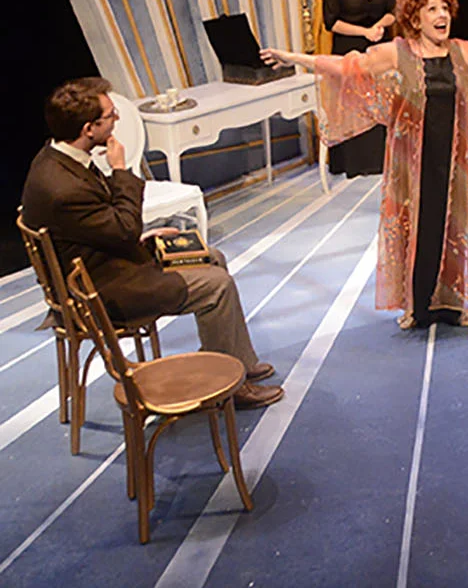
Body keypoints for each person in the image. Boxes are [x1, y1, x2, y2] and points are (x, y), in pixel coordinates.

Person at [263, 0, 468, 329]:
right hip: (413, 163)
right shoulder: (398, 53)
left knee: (454, 226)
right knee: (417, 229)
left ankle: (454, 303)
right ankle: (416, 306)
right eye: (432, 9)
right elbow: (345, 66)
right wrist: (290, 57)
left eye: (445, 8)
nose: (442, 15)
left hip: (453, 160)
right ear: (415, 18)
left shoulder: (460, 52)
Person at [20, 79, 283, 409]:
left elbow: (101, 229)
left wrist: (141, 237)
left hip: (104, 263)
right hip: (102, 291)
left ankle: (235, 360)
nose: (117, 119)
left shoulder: (55, 157)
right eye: (111, 115)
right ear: (89, 129)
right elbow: (125, 228)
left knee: (211, 256)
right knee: (217, 285)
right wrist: (120, 170)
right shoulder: (64, 188)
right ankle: (233, 390)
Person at [321, 0, 397, 176]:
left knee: (382, 100)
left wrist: (378, 27)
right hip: (350, 50)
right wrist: (364, 32)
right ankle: (358, 162)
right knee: (355, 103)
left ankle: (384, 158)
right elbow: (332, 22)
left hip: (378, 49)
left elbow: (393, 10)